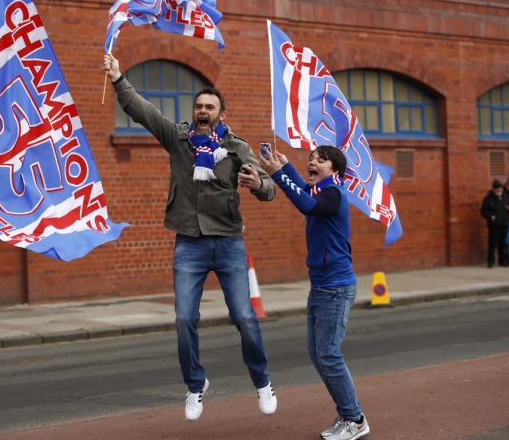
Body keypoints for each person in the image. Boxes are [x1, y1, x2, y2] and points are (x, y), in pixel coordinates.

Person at [103, 54, 278, 421]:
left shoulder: (235, 149)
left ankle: (262, 381)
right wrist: (119, 78)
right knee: (184, 319)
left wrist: (257, 183)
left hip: (228, 243)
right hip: (189, 243)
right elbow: (144, 111)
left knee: (245, 317)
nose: (202, 111)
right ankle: (196, 386)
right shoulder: (179, 140)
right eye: (198, 105)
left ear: (221, 114)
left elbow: (269, 189)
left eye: (210, 107)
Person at [259, 145, 370, 440]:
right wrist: (284, 166)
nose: (313, 162)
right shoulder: (320, 191)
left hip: (335, 288)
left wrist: (278, 176)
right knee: (319, 354)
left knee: (329, 355)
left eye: (321, 160)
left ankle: (355, 419)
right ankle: (347, 413)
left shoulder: (333, 193)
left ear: (334, 170)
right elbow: (308, 194)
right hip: (321, 286)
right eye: (311, 158)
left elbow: (306, 205)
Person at [480, 179, 509, 268]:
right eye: (497, 190)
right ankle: (491, 262)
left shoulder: (505, 197)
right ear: (493, 190)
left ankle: (502, 261)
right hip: (494, 226)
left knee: (502, 244)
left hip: (504, 224)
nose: (499, 192)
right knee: (492, 244)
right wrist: (490, 216)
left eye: (500, 190)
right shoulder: (488, 199)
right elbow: (483, 211)